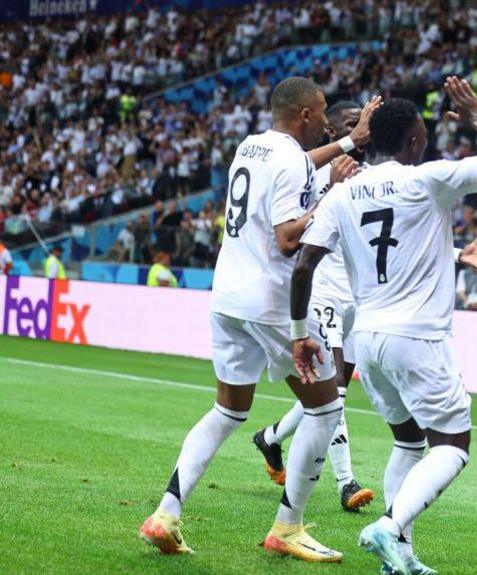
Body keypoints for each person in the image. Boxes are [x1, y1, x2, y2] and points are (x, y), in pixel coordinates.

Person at [289, 78, 477, 575]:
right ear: (415, 141)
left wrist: (298, 331)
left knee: (408, 442)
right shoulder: (427, 178)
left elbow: (304, 263)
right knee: (454, 446)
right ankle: (390, 526)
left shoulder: (343, 193)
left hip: (368, 341)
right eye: (422, 134)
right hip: (417, 337)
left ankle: (400, 556)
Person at [139, 77, 365, 562]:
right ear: (304, 114)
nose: (327, 121)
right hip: (269, 301)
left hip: (227, 297)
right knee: (325, 409)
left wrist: (347, 143)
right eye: (322, 112)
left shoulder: (252, 146)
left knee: (227, 411)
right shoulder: (289, 159)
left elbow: (300, 167)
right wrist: (334, 193)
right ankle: (288, 526)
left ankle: (165, 514)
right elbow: (288, 239)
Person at [251, 99, 380, 513]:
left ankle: (271, 437)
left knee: (326, 394)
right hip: (322, 291)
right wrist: (332, 187)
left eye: (363, 123)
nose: (360, 129)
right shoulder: (316, 172)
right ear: (332, 132)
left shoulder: (377, 176)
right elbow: (294, 234)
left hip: (356, 300)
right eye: (349, 123)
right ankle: (347, 482)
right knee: (335, 394)